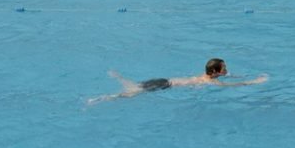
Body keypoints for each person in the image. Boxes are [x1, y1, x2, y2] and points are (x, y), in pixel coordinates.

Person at [88, 57, 268, 103]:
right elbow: (233, 85)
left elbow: (230, 77)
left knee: (135, 87)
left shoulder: (205, 76)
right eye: (224, 68)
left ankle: (118, 77)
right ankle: (104, 98)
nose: (227, 70)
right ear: (215, 71)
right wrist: (254, 82)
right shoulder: (210, 82)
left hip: (165, 80)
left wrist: (243, 75)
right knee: (131, 94)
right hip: (165, 86)